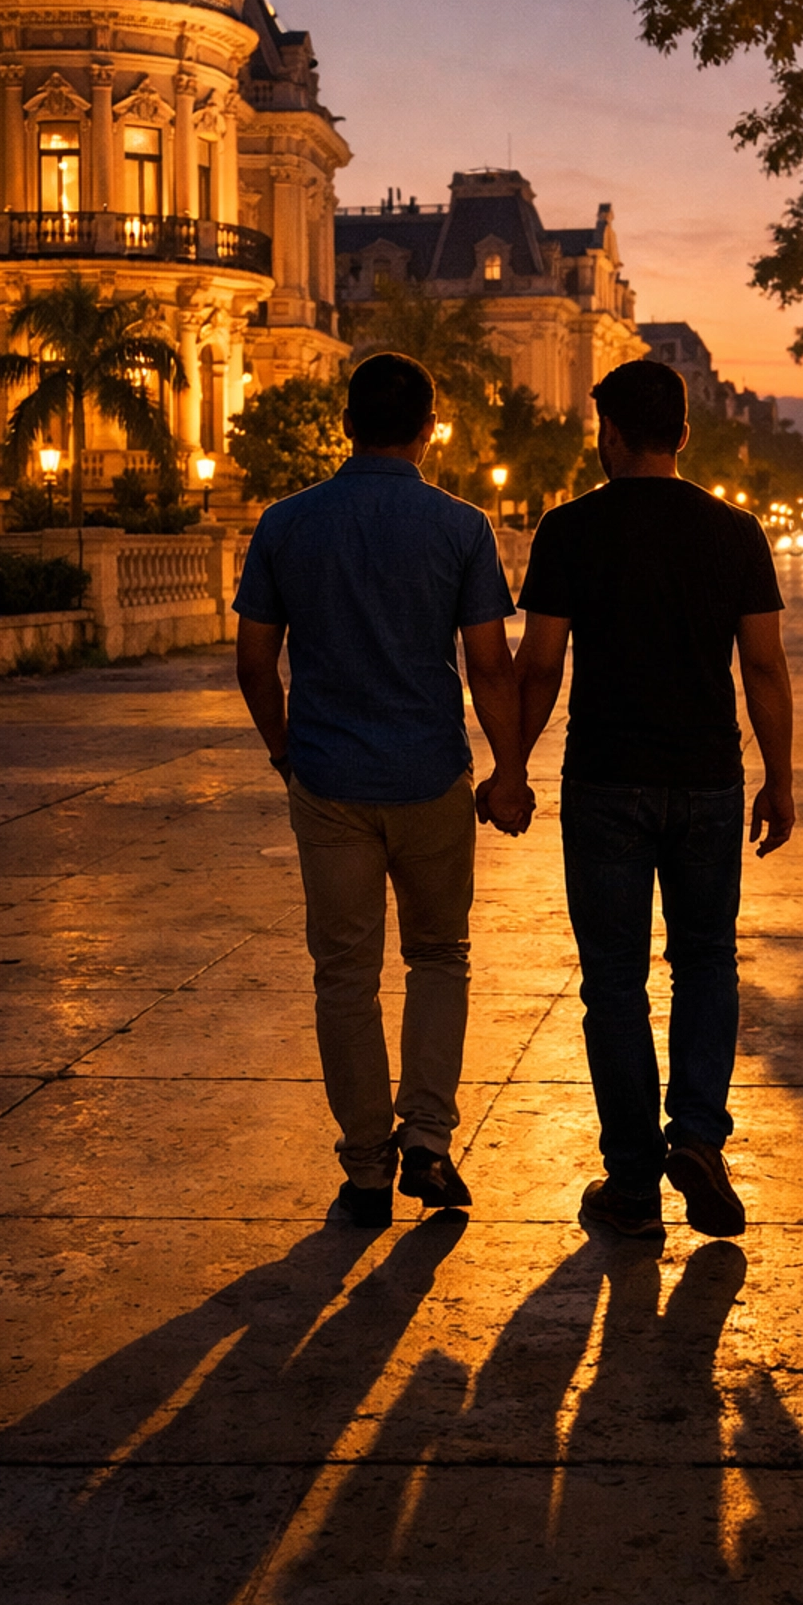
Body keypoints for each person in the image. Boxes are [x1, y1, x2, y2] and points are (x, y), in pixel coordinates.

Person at [234, 350, 534, 1229]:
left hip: (328, 778)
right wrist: (506, 773)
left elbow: (256, 661)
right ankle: (429, 1141)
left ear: (345, 425)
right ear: (430, 428)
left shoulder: (286, 524)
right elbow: (488, 665)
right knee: (439, 957)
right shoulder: (460, 527)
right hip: (430, 775)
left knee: (344, 976)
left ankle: (366, 1166)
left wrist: (286, 752)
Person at [514, 357, 795, 1240]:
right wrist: (780, 778)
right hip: (708, 779)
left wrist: (509, 766)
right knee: (708, 961)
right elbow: (764, 666)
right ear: (683, 432)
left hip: (605, 780)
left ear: (611, 434)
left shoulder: (569, 530)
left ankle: (634, 1180)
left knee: (614, 982)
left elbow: (542, 664)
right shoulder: (736, 532)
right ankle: (700, 1138)